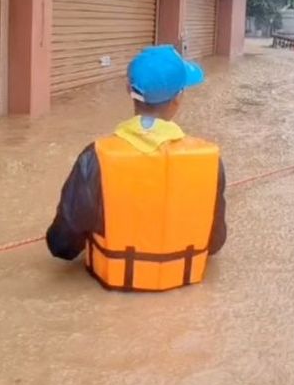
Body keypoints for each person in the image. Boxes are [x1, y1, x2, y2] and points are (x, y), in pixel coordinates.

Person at [45, 45, 227, 291]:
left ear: (129, 90)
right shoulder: (209, 160)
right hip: (182, 297)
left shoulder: (95, 157)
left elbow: (62, 246)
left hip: (109, 295)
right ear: (178, 97)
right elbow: (214, 243)